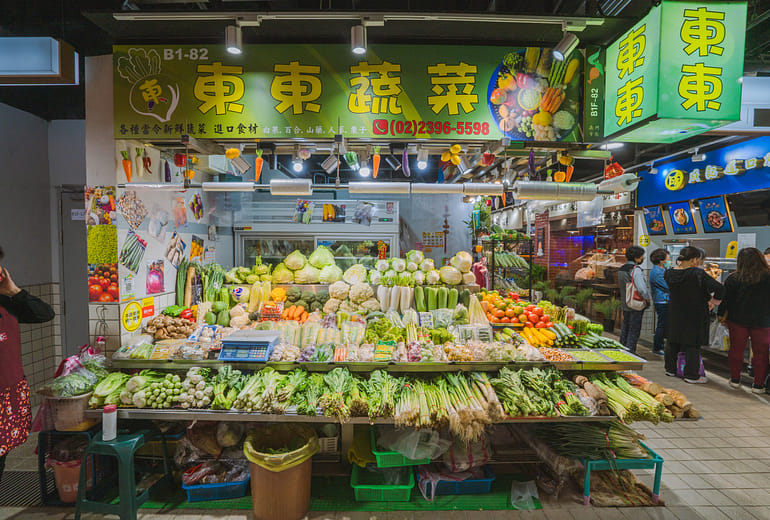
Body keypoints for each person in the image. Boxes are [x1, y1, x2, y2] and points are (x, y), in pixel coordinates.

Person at [0, 246, 55, 486]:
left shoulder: (7, 302)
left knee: (1, 457)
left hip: (7, 394)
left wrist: (13, 291)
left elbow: (45, 314)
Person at [664, 246, 724, 384]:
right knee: (692, 343)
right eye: (698, 259)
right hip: (694, 312)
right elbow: (719, 288)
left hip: (675, 311)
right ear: (693, 259)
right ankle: (691, 375)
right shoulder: (697, 273)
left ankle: (670, 369)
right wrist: (714, 301)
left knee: (673, 340)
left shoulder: (669, 273)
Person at [718, 247, 770, 394]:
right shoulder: (768, 276)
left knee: (736, 349)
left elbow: (725, 300)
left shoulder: (734, 278)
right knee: (761, 353)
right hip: (763, 321)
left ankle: (735, 380)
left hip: (737, 319)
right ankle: (758, 385)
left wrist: (721, 315)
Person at [617, 246, 651, 354]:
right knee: (634, 329)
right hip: (635, 304)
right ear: (636, 257)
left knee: (625, 327)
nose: (642, 258)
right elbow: (641, 288)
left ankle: (622, 349)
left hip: (625, 302)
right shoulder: (635, 269)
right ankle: (630, 352)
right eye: (642, 256)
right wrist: (647, 299)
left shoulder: (621, 269)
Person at [648, 248, 671, 356]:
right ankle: (657, 347)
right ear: (661, 261)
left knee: (663, 324)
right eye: (668, 258)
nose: (669, 260)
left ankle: (659, 346)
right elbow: (668, 287)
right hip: (662, 301)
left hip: (664, 301)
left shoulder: (661, 271)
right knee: (662, 325)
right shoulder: (657, 272)